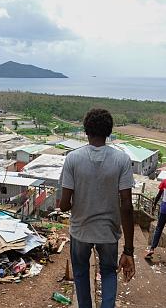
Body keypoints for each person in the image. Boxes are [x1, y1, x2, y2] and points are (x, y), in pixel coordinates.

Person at [59, 108, 135, 308]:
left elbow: (64, 204)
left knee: (81, 273)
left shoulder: (73, 159)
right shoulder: (122, 160)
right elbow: (127, 205)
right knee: (109, 272)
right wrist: (129, 249)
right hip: (108, 233)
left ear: (86, 130)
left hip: (80, 231)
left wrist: (82, 202)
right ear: (109, 132)